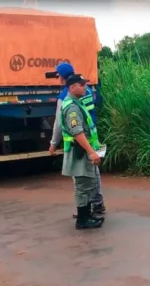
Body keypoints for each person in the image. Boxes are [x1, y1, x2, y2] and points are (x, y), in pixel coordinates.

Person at [49, 62, 105, 216]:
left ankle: (84, 212)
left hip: (79, 142)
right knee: (93, 173)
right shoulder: (86, 89)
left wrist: (53, 144)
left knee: (80, 178)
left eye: (58, 75)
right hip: (92, 136)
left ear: (63, 77)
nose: (57, 78)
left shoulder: (67, 96)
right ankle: (97, 204)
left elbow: (60, 124)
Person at [60, 73, 104, 229]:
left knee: (89, 183)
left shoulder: (77, 103)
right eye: (82, 85)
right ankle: (83, 220)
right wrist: (91, 151)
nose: (85, 87)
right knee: (83, 186)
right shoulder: (72, 107)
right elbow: (77, 131)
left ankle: (87, 215)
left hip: (83, 151)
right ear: (72, 87)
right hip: (79, 152)